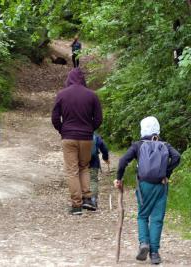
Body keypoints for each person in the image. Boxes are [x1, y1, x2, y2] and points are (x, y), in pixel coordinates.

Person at [114, 116, 181, 265]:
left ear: (143, 129)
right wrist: (166, 174)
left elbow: (122, 161)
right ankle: (155, 253)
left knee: (143, 216)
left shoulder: (138, 145)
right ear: (157, 129)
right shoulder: (165, 145)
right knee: (157, 218)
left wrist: (118, 178)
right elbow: (177, 156)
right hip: (161, 185)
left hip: (144, 186)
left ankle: (144, 242)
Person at [51, 68, 103, 215]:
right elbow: (98, 119)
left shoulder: (62, 94)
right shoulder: (92, 95)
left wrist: (63, 130)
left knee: (72, 170)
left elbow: (55, 118)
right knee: (84, 167)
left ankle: (76, 205)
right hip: (86, 138)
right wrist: (89, 130)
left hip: (68, 137)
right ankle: (87, 198)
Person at [89, 133, 109, 209]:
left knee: (81, 178)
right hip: (94, 162)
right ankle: (93, 200)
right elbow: (104, 148)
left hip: (82, 162)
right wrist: (105, 158)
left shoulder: (80, 134)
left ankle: (82, 199)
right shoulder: (96, 136)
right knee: (93, 180)